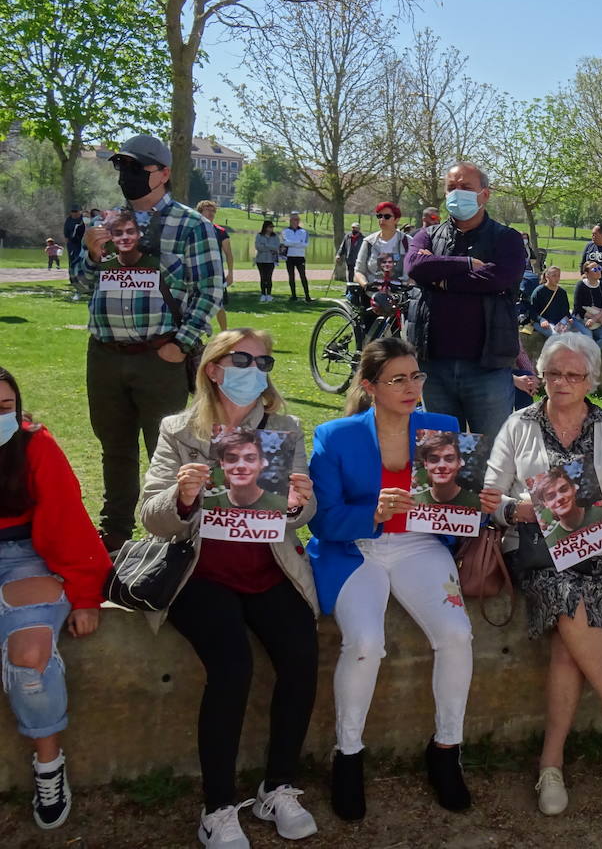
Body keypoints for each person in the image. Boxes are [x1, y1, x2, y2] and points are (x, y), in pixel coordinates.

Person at [137, 329, 320, 847]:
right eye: (242, 358)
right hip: (201, 573)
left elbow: (302, 513)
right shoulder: (178, 429)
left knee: (303, 654)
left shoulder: (284, 427)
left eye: (265, 360)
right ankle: (217, 805)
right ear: (214, 368)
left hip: (268, 567)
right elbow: (151, 517)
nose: (254, 368)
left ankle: (277, 785)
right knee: (232, 664)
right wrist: (184, 495)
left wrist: (298, 503)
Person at [480, 333, 602, 813]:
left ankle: (550, 765)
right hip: (535, 550)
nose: (562, 383)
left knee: (566, 636)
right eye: (554, 373)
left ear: (591, 379)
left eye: (573, 375)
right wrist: (521, 511)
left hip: (595, 549)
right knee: (563, 593)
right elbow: (490, 497)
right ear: (542, 375)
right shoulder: (518, 424)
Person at [307, 337, 473, 821]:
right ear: (369, 386)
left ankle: (446, 748)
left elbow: (455, 510)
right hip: (355, 548)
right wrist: (372, 514)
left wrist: (472, 505)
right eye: (397, 379)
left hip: (419, 544)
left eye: (416, 376)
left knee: (457, 635)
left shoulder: (440, 427)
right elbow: (322, 521)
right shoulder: (335, 436)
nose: (411, 387)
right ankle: (349, 754)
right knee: (364, 642)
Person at [74, 134, 224, 553]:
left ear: (162, 174)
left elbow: (210, 291)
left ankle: (173, 532)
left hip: (160, 357)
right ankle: (116, 530)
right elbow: (81, 284)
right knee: (114, 446)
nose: (127, 175)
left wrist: (181, 344)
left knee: (170, 451)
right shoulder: (107, 223)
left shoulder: (191, 224)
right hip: (105, 354)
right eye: (121, 167)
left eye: (136, 168)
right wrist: (89, 253)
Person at [0, 367, 107, 831]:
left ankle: (49, 765)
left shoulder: (35, 445)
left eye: (5, 408)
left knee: (30, 658)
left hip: (24, 554)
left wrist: (84, 595)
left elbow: (67, 521)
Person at [405, 165, 524, 439]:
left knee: (495, 457)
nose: (457, 193)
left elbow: (497, 278)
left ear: (485, 195)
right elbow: (414, 266)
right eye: (451, 188)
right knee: (440, 454)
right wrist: (467, 264)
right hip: (434, 367)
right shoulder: (427, 235)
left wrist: (442, 279)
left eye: (466, 188)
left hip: (488, 369)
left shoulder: (507, 239)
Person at [197, 201, 234, 331]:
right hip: (196, 272)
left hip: (215, 273)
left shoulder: (220, 231)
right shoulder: (192, 229)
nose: (211, 213)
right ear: (200, 211)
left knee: (219, 305)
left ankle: (224, 334)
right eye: (208, 210)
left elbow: (228, 253)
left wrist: (230, 273)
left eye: (213, 211)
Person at [354, 203, 410, 289]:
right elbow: (358, 271)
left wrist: (409, 284)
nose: (382, 219)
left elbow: (417, 271)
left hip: (401, 297)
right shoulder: (369, 242)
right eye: (379, 216)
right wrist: (366, 285)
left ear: (396, 219)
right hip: (372, 296)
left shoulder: (408, 242)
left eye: (387, 216)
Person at [572, 260, 602, 348]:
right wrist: (596, 318)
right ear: (586, 273)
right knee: (588, 337)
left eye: (599, 268)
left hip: (598, 320)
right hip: (581, 319)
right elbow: (578, 308)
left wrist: (595, 319)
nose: (598, 271)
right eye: (595, 270)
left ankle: (590, 355)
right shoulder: (580, 285)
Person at [529, 267, 572, 337]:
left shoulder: (562, 292)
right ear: (547, 276)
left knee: (569, 336)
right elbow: (532, 311)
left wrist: (568, 319)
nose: (557, 278)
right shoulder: (539, 291)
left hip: (559, 322)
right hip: (542, 322)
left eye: (558, 275)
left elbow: (565, 311)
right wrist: (541, 320)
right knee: (555, 335)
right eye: (554, 275)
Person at [280, 212, 311, 303]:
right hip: (289, 257)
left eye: (297, 220)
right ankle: (293, 296)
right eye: (294, 219)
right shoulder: (285, 231)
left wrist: (292, 243)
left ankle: (307, 296)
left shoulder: (304, 232)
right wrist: (298, 243)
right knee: (291, 276)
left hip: (300, 257)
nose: (296, 221)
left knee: (303, 276)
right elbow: (285, 243)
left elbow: (305, 244)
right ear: (290, 221)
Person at [254, 220, 282, 303]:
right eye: (270, 227)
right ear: (265, 227)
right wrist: (270, 248)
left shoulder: (275, 237)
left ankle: (269, 295)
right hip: (260, 260)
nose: (271, 228)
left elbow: (277, 247)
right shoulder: (259, 236)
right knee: (262, 277)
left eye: (272, 227)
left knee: (269, 277)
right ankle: (263, 294)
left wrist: (266, 245)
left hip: (271, 260)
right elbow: (258, 247)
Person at [62, 205, 85, 282]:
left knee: (81, 260)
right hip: (72, 243)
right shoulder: (69, 219)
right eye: (73, 211)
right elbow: (66, 232)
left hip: (82, 243)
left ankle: (81, 278)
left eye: (76, 211)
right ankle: (73, 278)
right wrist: (68, 242)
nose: (74, 213)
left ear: (80, 211)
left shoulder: (84, 219)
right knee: (72, 260)